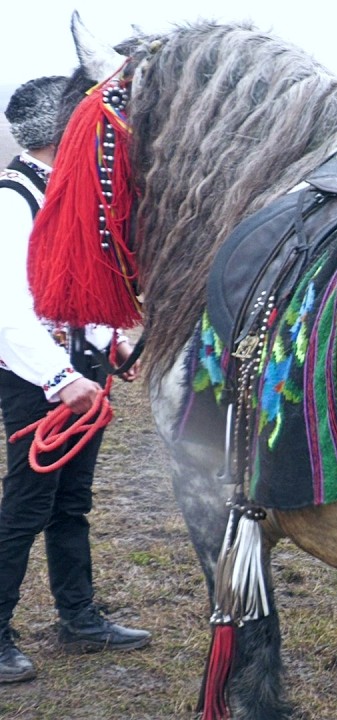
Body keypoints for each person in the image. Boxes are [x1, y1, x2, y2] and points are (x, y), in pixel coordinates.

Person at [0, 75, 150, 684]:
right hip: (38, 377)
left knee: (71, 503)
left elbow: (73, 284)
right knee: (27, 504)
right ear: (64, 131)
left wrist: (110, 344)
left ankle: (79, 618)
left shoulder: (62, 191)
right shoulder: (13, 199)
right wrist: (60, 377)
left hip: (77, 370)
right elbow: (8, 309)